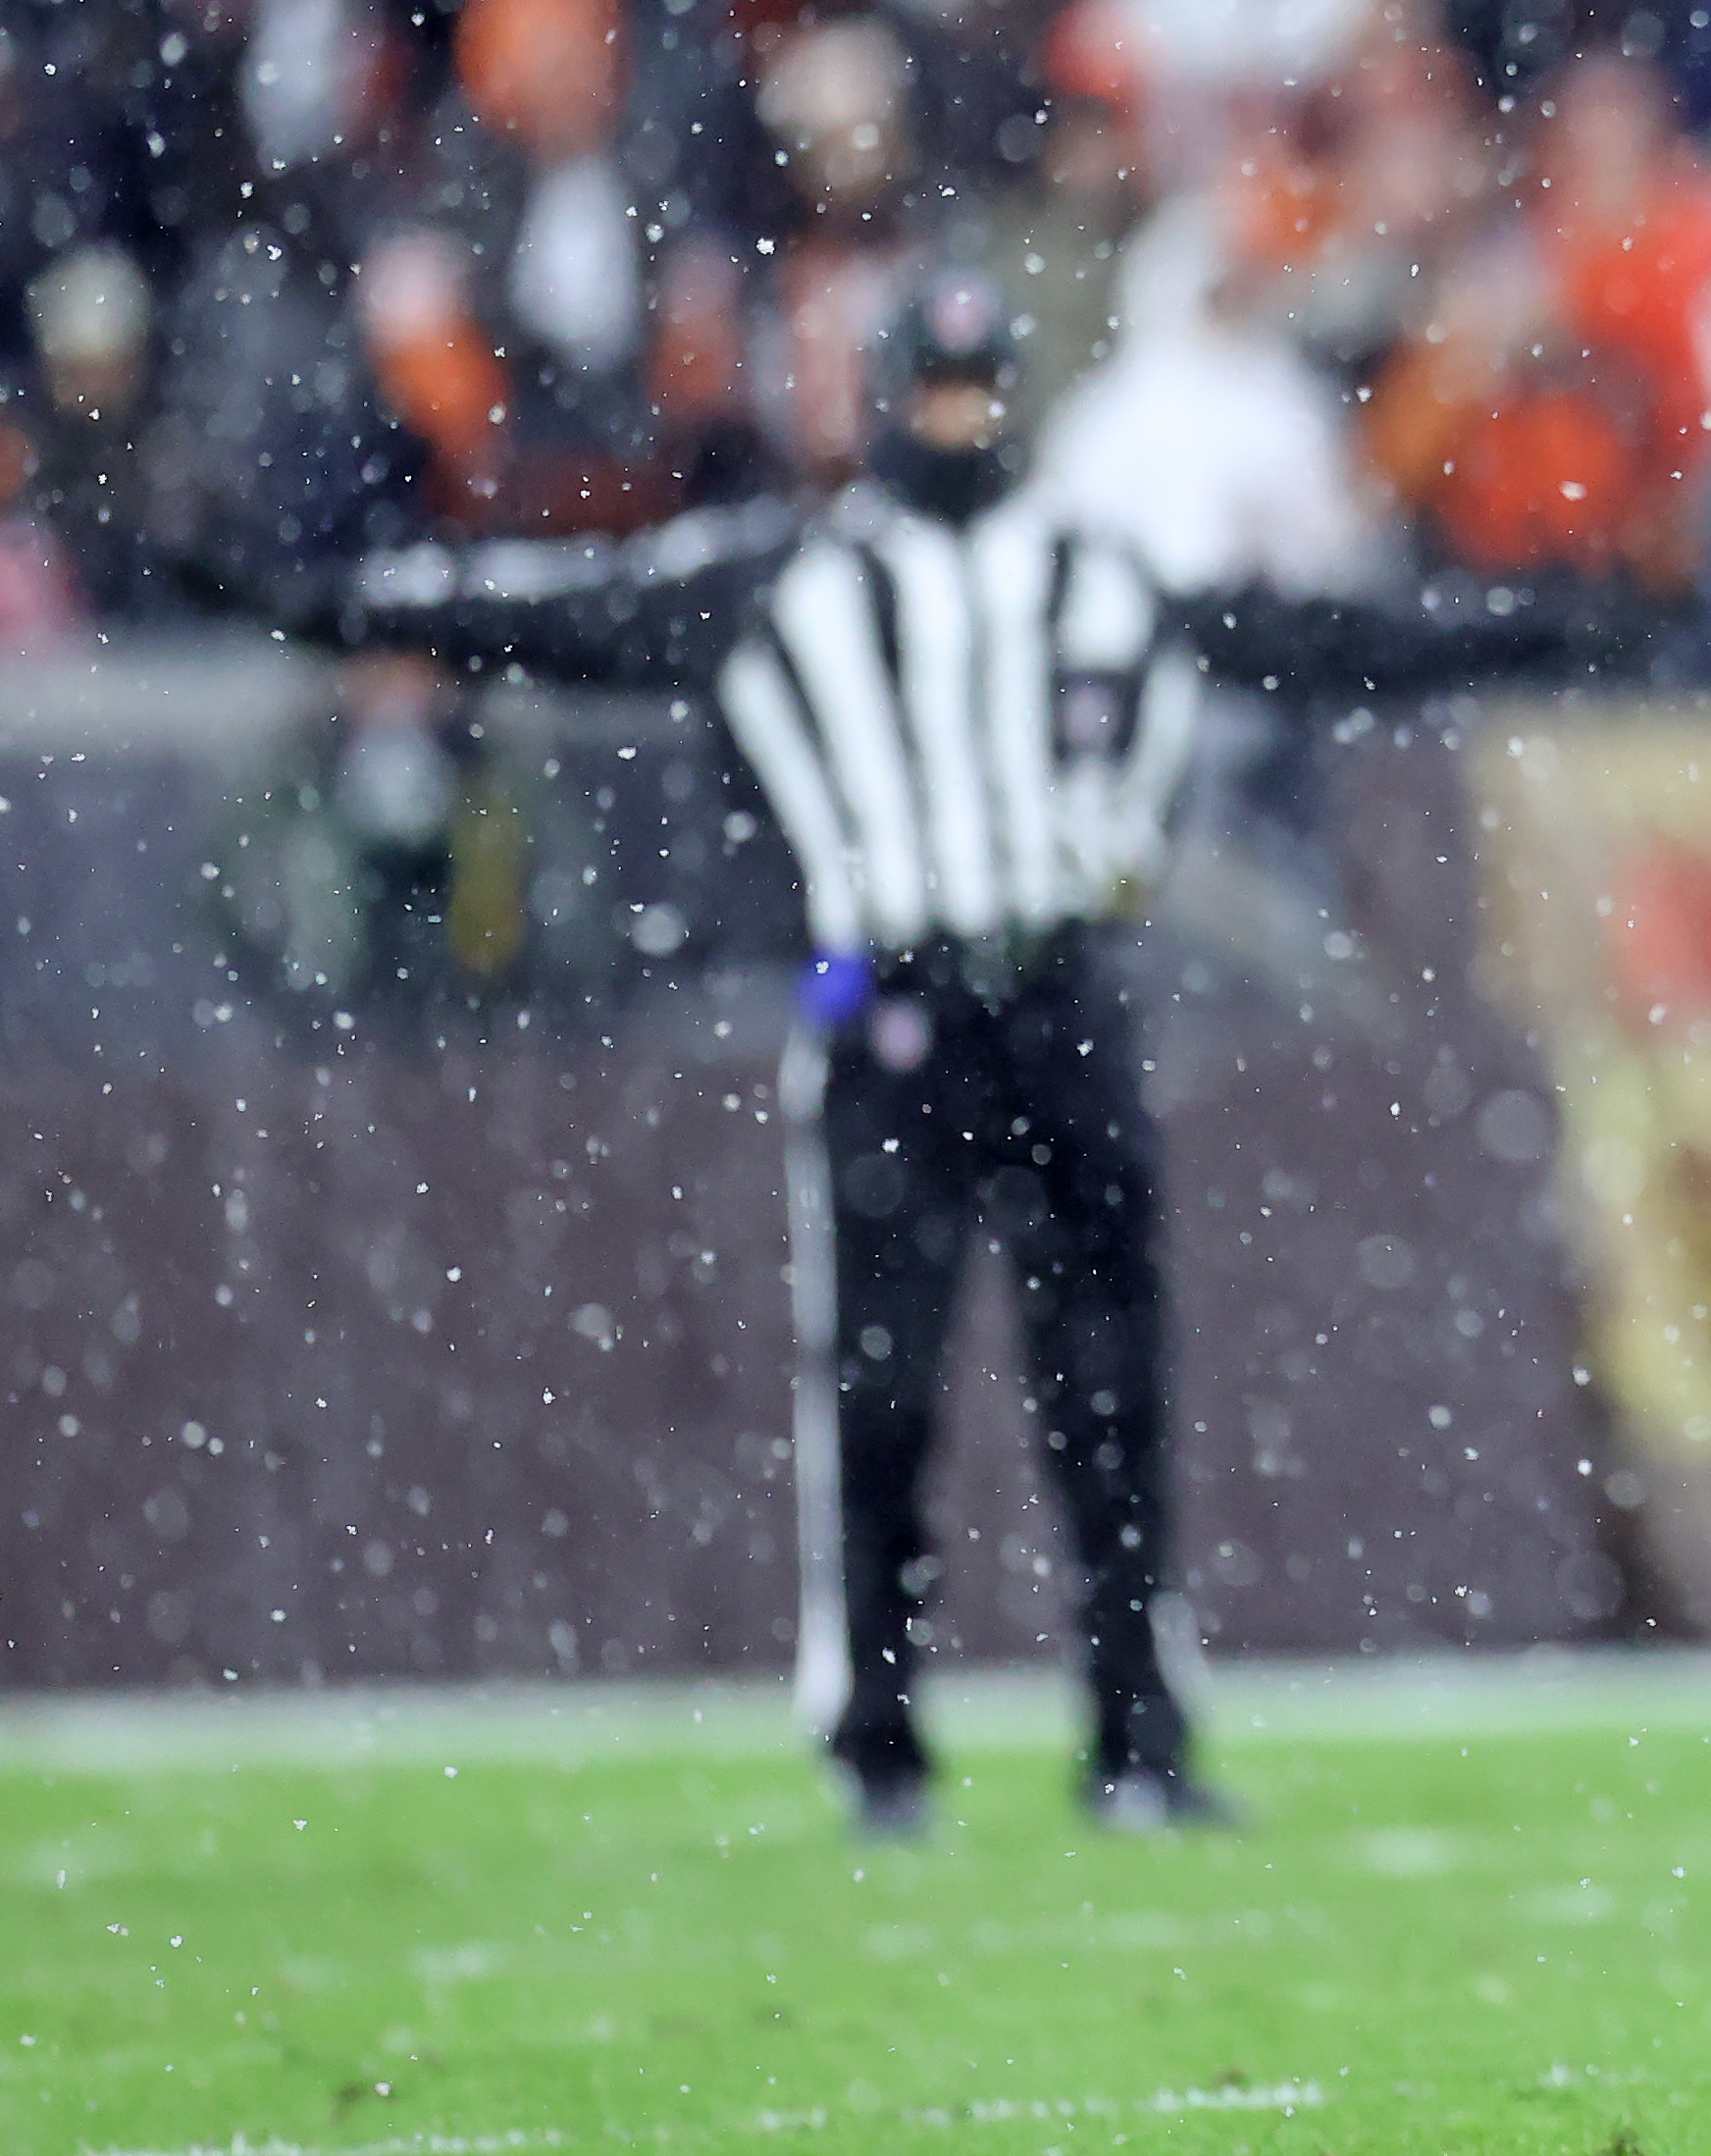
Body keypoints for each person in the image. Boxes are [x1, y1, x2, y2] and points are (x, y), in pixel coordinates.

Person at [234, 263, 1628, 1835]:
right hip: (892, 1008)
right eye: (934, 394)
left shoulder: (1104, 575)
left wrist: (1540, 628)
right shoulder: (792, 577)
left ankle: (1138, 1735)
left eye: (978, 393)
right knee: (883, 1388)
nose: (958, 423)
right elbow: (552, 616)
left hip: (1065, 995)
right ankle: (881, 1739)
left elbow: (1323, 641)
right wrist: (331, 599)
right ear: (887, 401)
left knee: (1109, 1386)